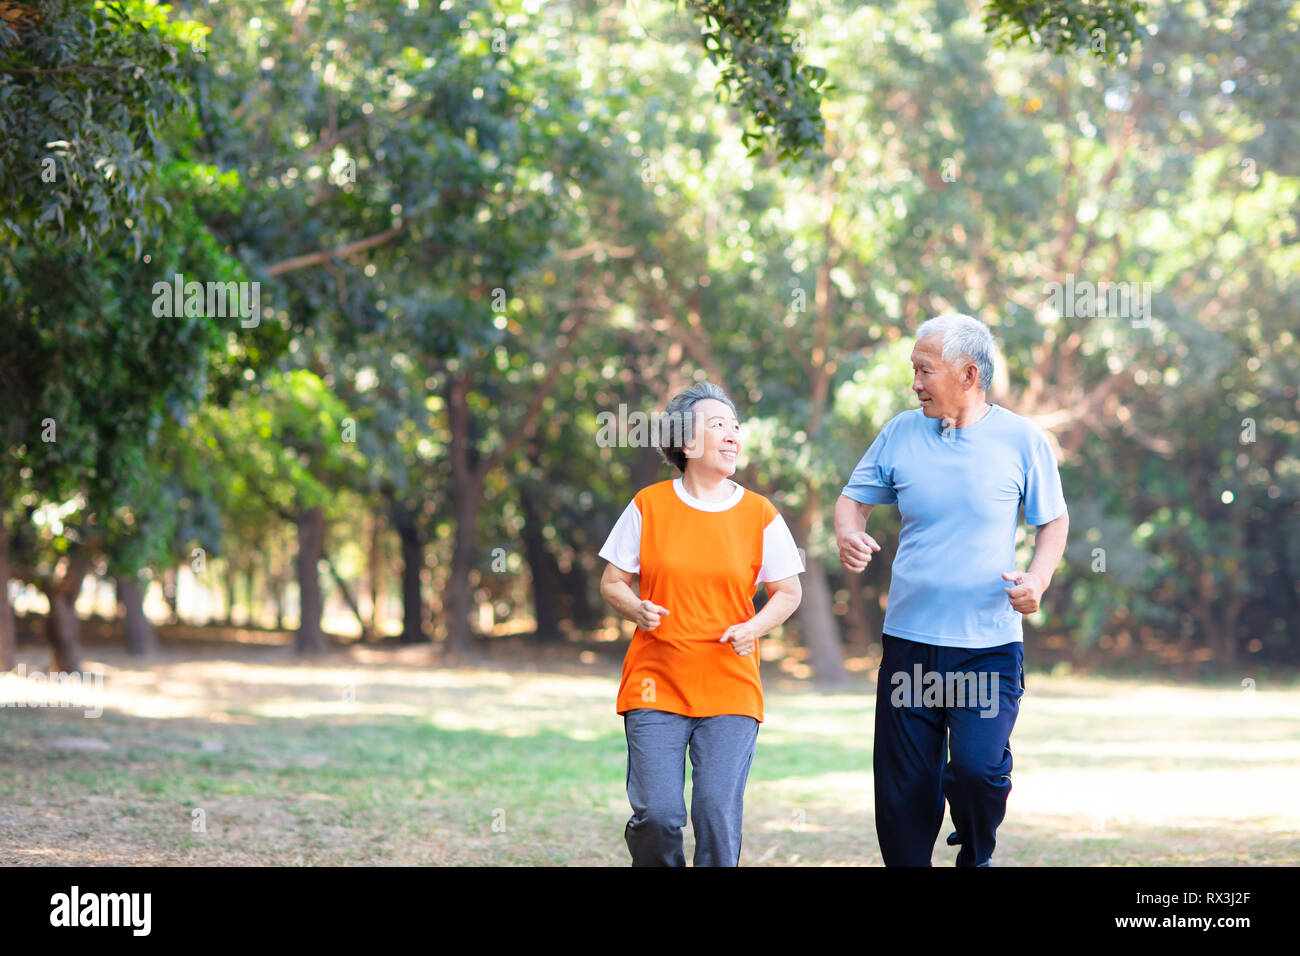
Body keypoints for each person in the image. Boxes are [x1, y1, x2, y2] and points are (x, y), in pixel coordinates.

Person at [834, 313, 1068, 867]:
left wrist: (1038, 579)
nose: (914, 383)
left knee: (977, 771)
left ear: (968, 374)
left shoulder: (1021, 439)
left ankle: (976, 851)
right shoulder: (899, 432)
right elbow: (854, 500)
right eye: (913, 370)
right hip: (910, 644)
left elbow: (1052, 522)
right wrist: (849, 531)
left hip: (986, 645)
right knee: (903, 794)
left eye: (923, 370)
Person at [598, 381, 804, 867]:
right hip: (656, 682)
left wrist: (755, 626)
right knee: (659, 814)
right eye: (718, 425)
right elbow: (612, 582)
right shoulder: (649, 505)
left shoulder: (760, 514)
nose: (733, 435)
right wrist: (637, 608)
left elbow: (788, 592)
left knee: (714, 811)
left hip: (730, 685)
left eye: (736, 426)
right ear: (686, 443)